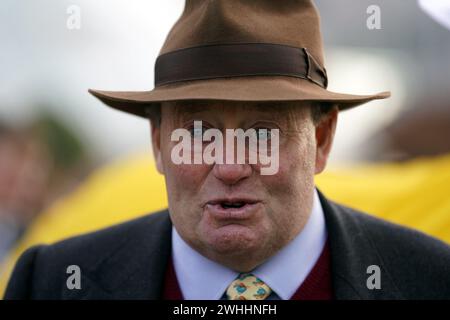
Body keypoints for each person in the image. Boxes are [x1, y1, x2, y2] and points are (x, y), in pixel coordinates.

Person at [4, 0, 450, 300]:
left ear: (321, 139)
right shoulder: (50, 282)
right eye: (198, 133)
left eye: (263, 133)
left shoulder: (432, 280)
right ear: (159, 144)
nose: (231, 165)